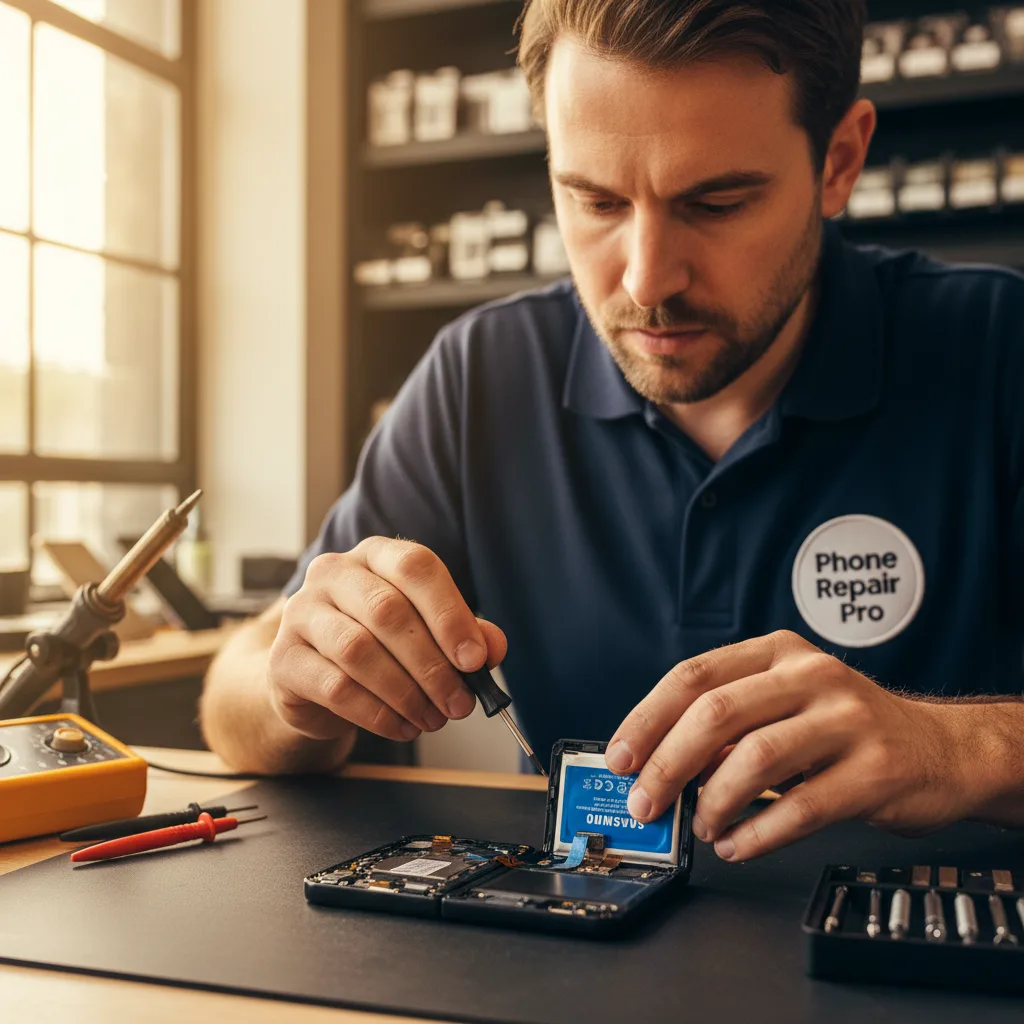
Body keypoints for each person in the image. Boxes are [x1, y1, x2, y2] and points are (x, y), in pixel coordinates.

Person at [201, 0, 1024, 863]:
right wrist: (297, 686)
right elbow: (237, 694)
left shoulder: (997, 349)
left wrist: (955, 746)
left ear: (840, 161)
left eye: (716, 203)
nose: (646, 278)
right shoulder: (483, 372)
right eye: (594, 200)